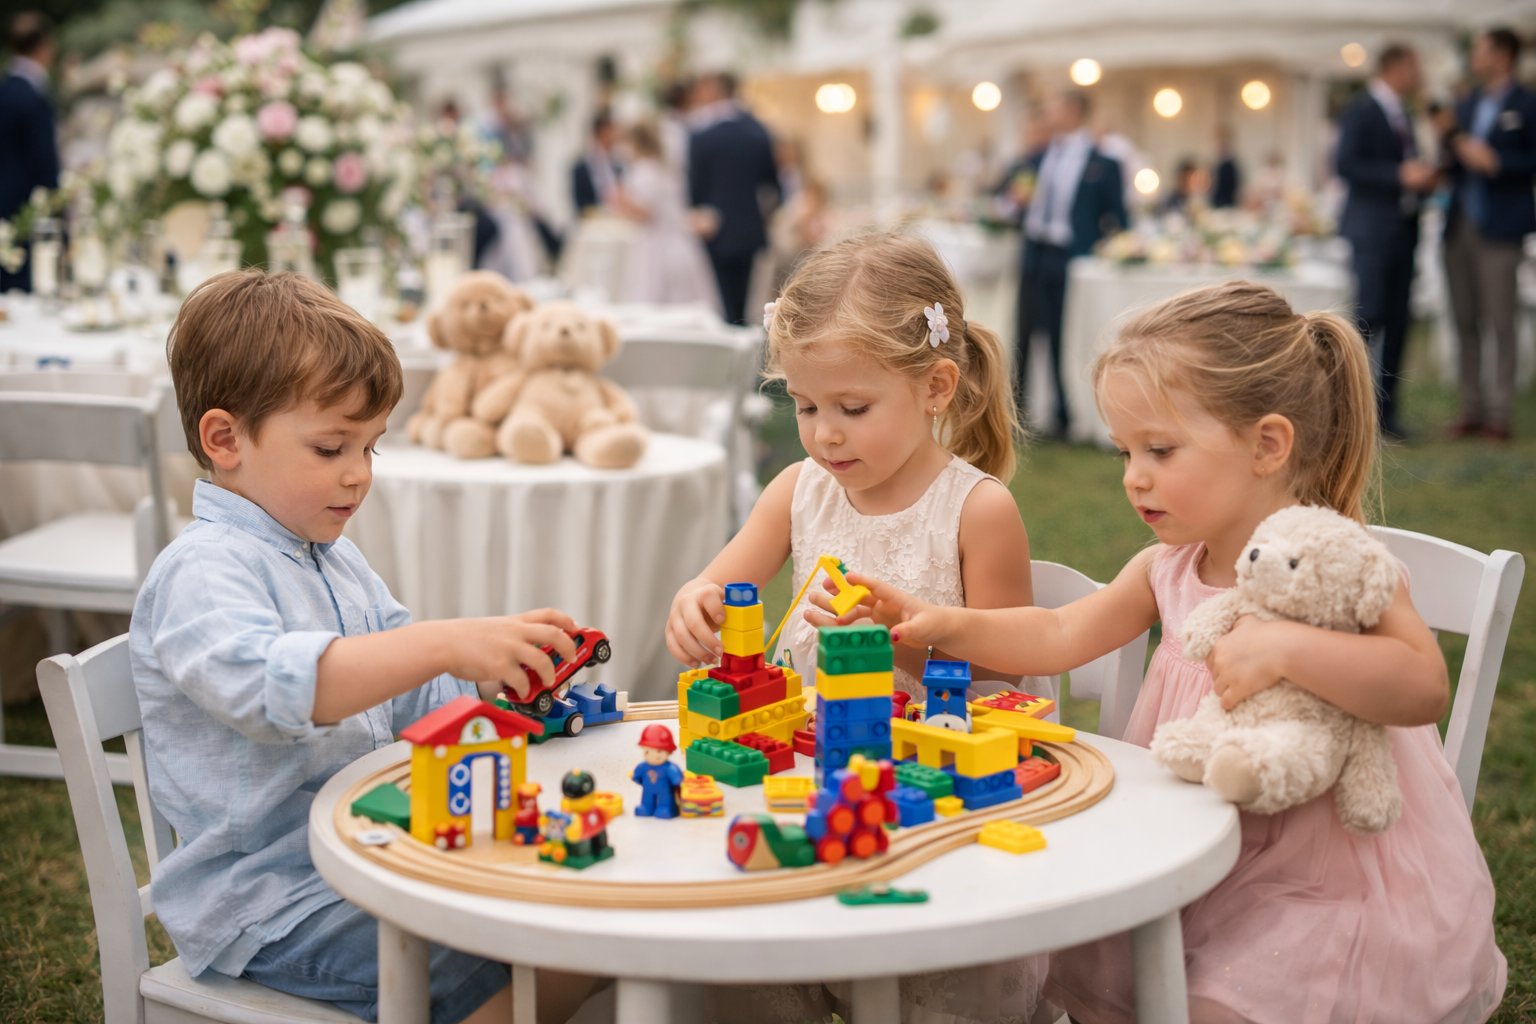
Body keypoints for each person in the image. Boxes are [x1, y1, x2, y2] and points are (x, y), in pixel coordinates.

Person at [846, 280, 1506, 1024]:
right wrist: (941, 622)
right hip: (1191, 850)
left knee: (1221, 1004)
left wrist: (1287, 647)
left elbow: (1421, 684)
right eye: (1125, 450)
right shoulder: (1170, 567)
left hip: (1328, 877)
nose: (1134, 475)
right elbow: (1061, 634)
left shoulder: (1334, 562)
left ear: (1267, 444)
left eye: (1159, 449)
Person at [130, 270, 601, 1023]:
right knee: (538, 952)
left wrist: (493, 676)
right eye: (330, 447)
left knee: (569, 914)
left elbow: (408, 693)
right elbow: (280, 692)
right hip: (272, 902)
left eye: (371, 448)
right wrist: (444, 643)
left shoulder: (329, 554)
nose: (358, 475)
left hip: (369, 851)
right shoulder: (201, 572)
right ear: (225, 440)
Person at [665, 229, 1042, 1023]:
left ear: (937, 386)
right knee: (731, 970)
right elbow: (718, 583)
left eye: (852, 408)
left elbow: (1011, 680)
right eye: (804, 406)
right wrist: (694, 600)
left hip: (928, 818)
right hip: (800, 795)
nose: (824, 432)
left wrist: (909, 634)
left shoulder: (977, 510)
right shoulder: (798, 490)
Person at [1336, 42, 1437, 441]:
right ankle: (1350, 411)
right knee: (1369, 317)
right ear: (1396, 67)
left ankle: (1386, 413)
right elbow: (1347, 165)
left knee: (1398, 320)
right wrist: (1399, 175)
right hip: (1372, 229)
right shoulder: (1361, 110)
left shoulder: (1407, 113)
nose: (1419, 76)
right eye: (1415, 67)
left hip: (1404, 228)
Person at [1011, 90, 1126, 438]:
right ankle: (1021, 410)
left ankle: (1063, 415)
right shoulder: (1037, 157)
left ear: (1075, 112)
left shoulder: (1103, 164)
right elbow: (1012, 198)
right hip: (1034, 251)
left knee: (1064, 333)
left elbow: (1119, 220)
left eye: (1056, 108)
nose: (1049, 114)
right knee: (1025, 332)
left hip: (1069, 258)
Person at [1443, 26, 1536, 442]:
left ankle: (1499, 413)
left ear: (1502, 56)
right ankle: (1471, 408)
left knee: (1501, 321)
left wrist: (1497, 162)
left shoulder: (1527, 104)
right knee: (1465, 320)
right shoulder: (1468, 102)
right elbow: (1453, 156)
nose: (1474, 57)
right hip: (1460, 223)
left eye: (1480, 50)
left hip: (1500, 226)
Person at [687, 72, 781, 325]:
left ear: (715, 90)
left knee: (723, 297)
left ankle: (731, 339)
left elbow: (695, 188)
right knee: (746, 296)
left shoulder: (702, 135)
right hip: (750, 226)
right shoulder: (759, 130)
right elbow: (773, 185)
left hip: (715, 228)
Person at [611, 120, 720, 311]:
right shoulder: (661, 168)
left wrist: (622, 202)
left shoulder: (643, 170)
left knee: (654, 295)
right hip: (676, 241)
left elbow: (647, 213)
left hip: (656, 244)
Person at [0, 11, 60, 294]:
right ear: (44, 46)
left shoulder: (4, 89)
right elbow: (45, 165)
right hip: (25, 211)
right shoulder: (33, 97)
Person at [571, 109, 621, 216]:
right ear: (598, 134)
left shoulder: (619, 165)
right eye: (609, 132)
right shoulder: (581, 168)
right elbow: (580, 205)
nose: (613, 137)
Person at [1209, 124, 1241, 208]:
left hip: (1227, 200)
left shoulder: (1230, 165)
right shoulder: (1217, 163)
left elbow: (1233, 185)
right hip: (1217, 200)